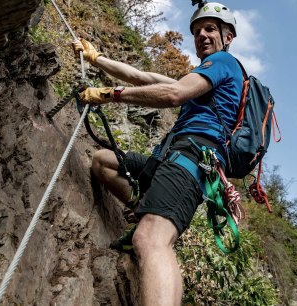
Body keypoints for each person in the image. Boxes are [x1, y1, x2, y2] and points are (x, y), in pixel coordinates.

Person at [72, 2, 243, 305]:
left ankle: (154, 227)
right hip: (166, 160)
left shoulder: (223, 63)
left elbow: (173, 94)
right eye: (197, 31)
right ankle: (146, 208)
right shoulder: (204, 80)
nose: (202, 35)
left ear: (227, 37)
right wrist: (96, 58)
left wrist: (111, 94)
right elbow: (142, 77)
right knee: (103, 162)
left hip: (189, 162)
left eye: (210, 29)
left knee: (150, 239)